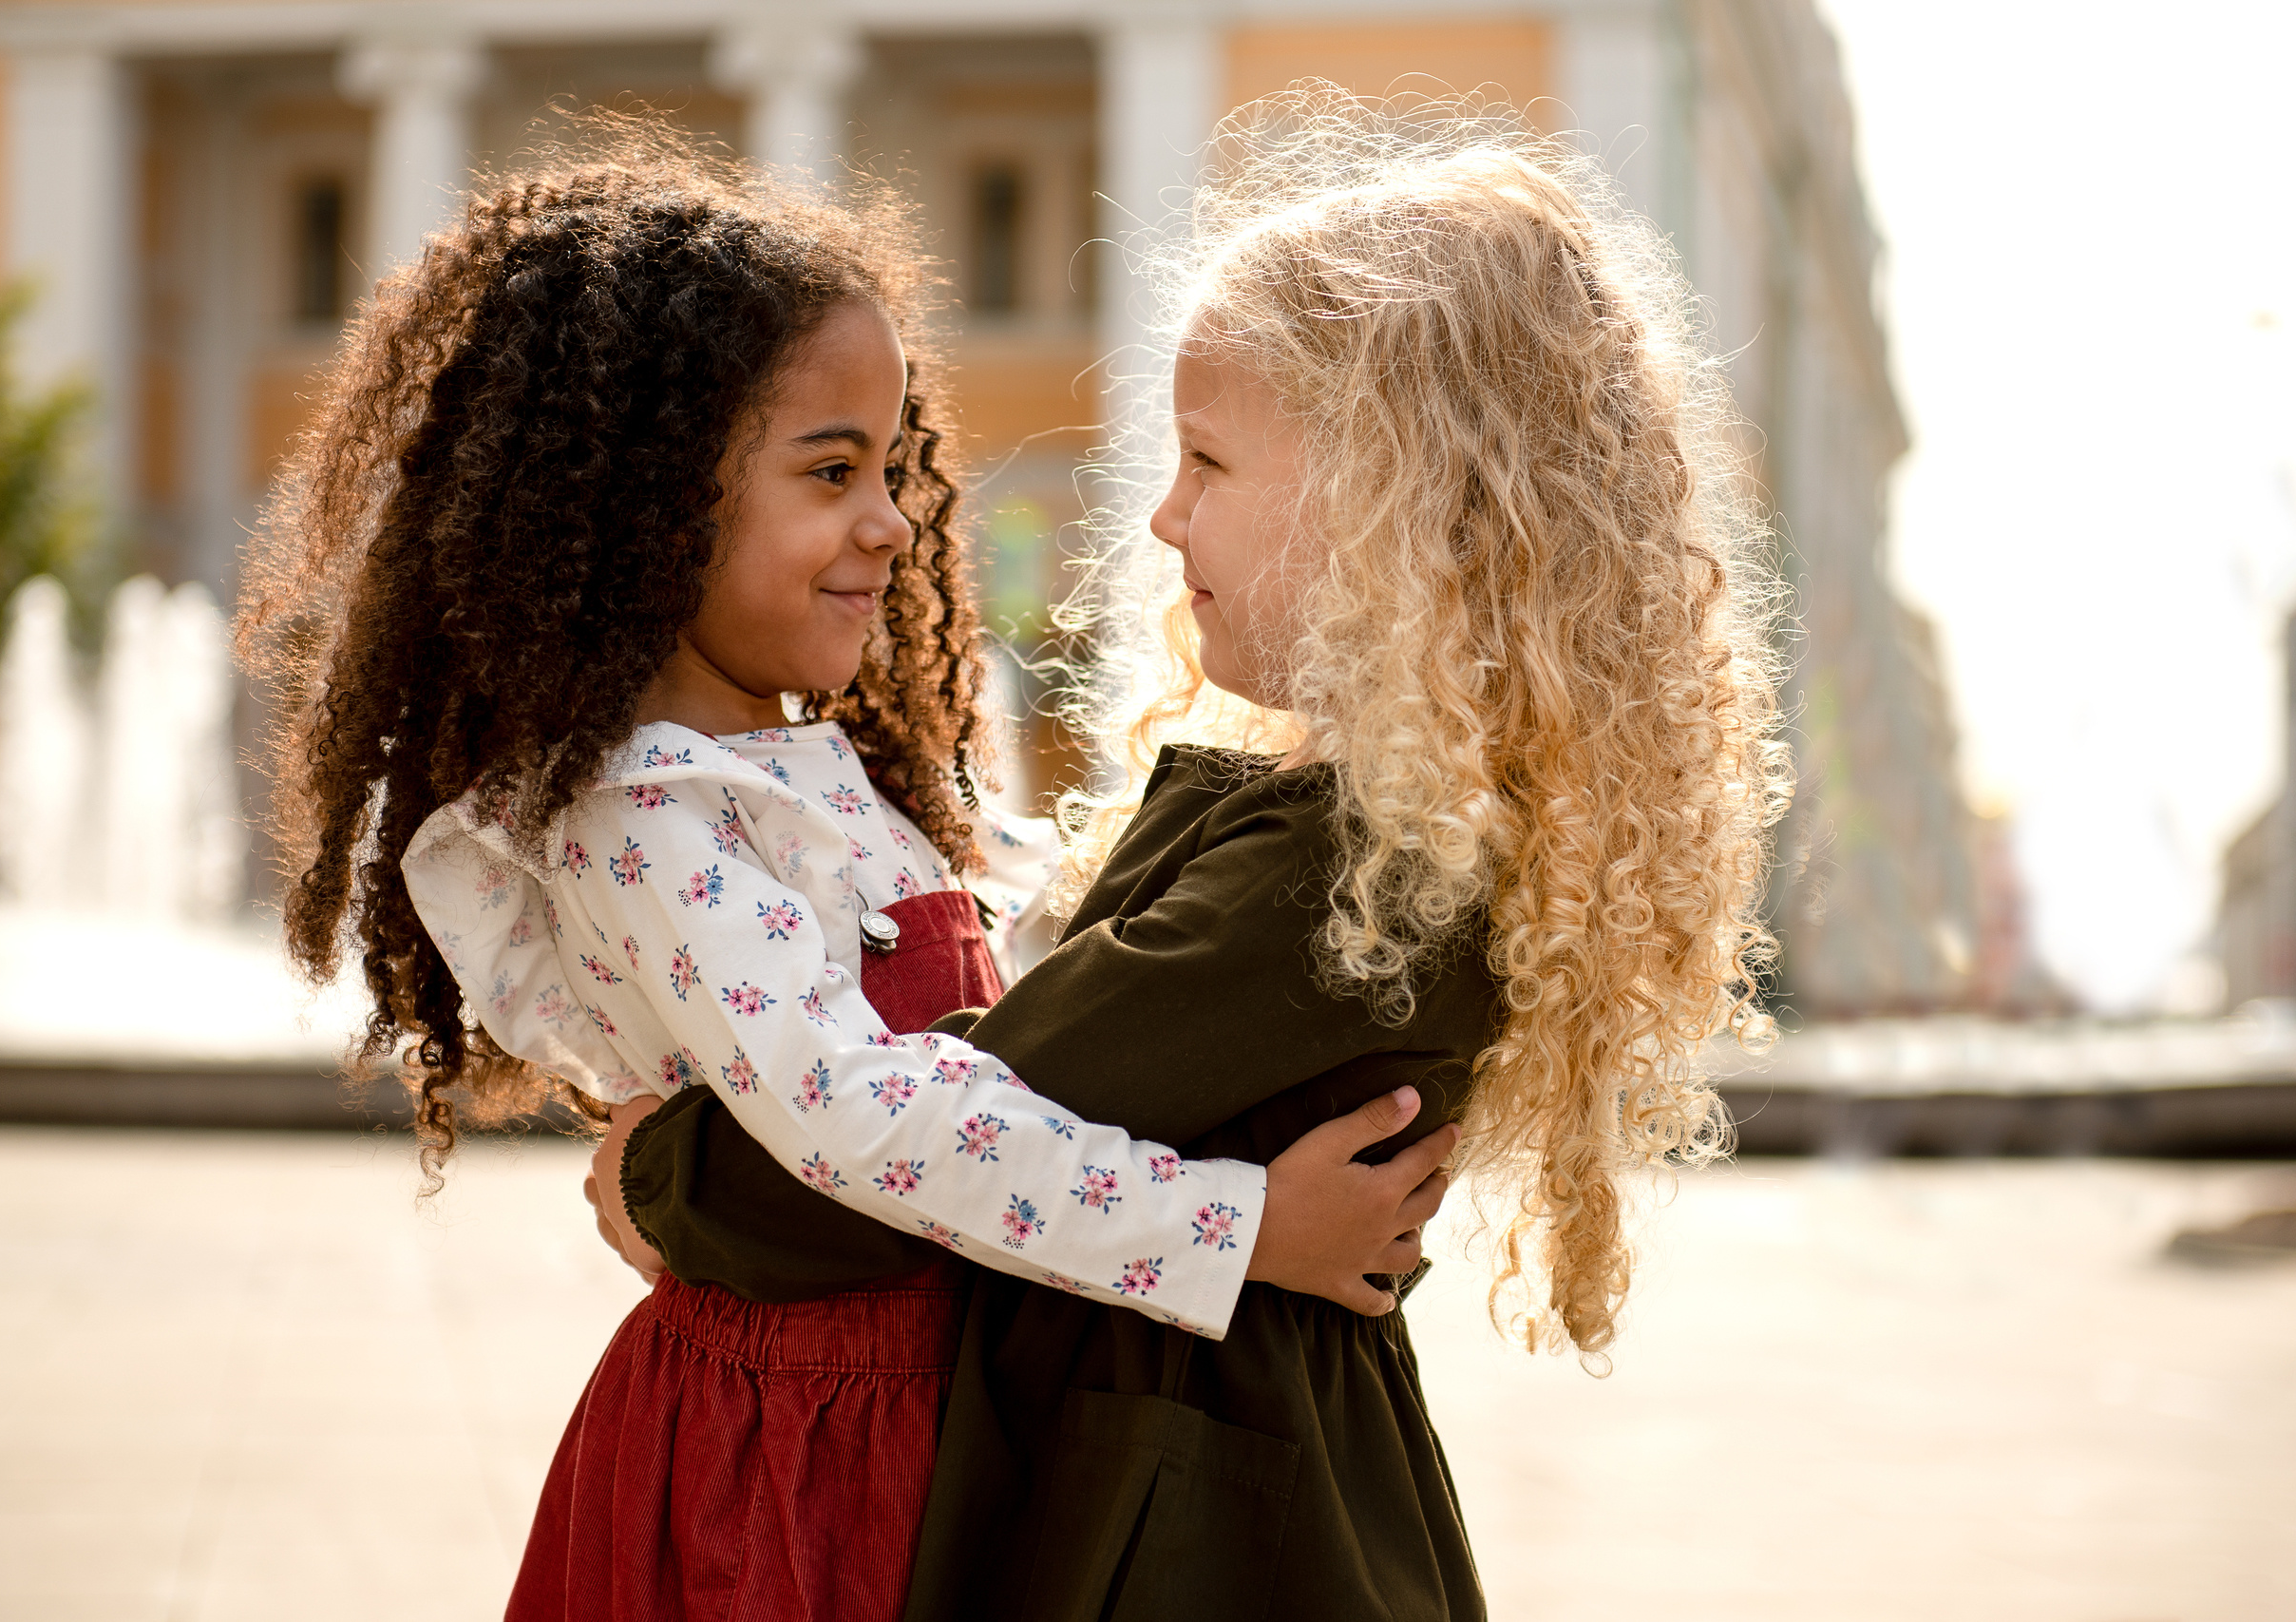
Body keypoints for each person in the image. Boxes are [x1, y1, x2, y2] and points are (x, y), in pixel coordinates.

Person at [237, 118, 1456, 1622]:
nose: (891, 522)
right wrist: (1237, 1229)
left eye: (891, 465)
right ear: (648, 506)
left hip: (912, 1417)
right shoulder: (638, 812)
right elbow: (870, 1120)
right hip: (798, 1465)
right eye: (831, 471)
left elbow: (1018, 992)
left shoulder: (810, 765)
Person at [620, 88, 1787, 1619]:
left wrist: (660, 1170)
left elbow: (925, 1151)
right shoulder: (1366, 837)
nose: (1164, 520)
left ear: (1399, 506)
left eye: (1210, 464)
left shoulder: (1339, 887)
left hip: (1182, 1546)